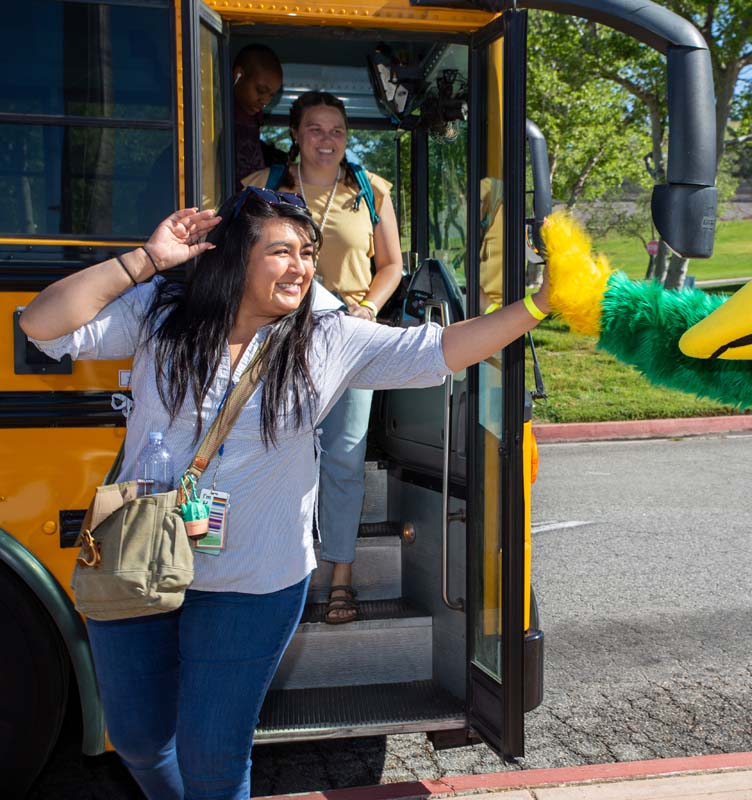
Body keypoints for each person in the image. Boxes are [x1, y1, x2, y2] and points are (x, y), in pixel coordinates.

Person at [18, 193, 552, 800]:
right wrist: (147, 259)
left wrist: (538, 305)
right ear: (232, 259)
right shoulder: (163, 312)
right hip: (140, 565)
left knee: (214, 760)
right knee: (138, 738)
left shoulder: (325, 337)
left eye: (307, 252)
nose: (300, 266)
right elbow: (41, 324)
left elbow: (439, 350)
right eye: (280, 251)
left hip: (253, 583)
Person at [242, 91, 405, 623]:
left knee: (345, 455)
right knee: (270, 448)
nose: (327, 139)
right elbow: (234, 261)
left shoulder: (370, 190)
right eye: (315, 129)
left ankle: (341, 575)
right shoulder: (262, 188)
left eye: (336, 130)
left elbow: (392, 268)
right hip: (276, 339)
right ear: (296, 134)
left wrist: (369, 307)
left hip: (348, 341)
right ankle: (267, 569)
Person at [232, 44, 286, 186]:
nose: (266, 101)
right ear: (238, 75)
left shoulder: (256, 120)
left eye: (271, 95)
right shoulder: (218, 113)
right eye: (261, 90)